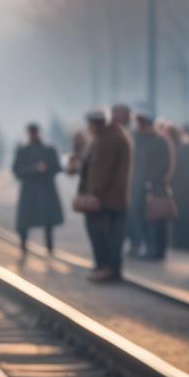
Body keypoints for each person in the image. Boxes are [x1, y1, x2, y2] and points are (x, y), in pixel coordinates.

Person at [79, 106, 132, 282]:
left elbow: (100, 170)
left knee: (103, 236)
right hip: (114, 198)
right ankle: (109, 268)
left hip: (105, 200)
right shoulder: (114, 135)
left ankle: (106, 268)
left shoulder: (107, 139)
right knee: (112, 236)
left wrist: (93, 194)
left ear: (96, 123)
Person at [11, 122, 64, 259]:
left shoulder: (48, 150)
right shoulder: (23, 151)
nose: (33, 135)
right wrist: (34, 169)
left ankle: (50, 248)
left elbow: (57, 168)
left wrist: (46, 168)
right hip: (29, 191)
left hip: (46, 189)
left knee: (48, 221)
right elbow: (17, 170)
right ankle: (23, 247)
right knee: (24, 222)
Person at [131, 111, 175, 260]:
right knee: (142, 219)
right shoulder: (138, 140)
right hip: (139, 187)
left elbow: (165, 164)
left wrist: (151, 178)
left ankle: (157, 251)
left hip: (156, 187)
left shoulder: (160, 141)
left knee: (157, 220)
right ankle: (149, 248)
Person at [166, 123, 189, 252]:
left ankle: (186, 247)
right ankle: (183, 246)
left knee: (186, 222)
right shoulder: (186, 148)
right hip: (184, 195)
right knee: (182, 222)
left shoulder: (187, 150)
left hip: (188, 195)